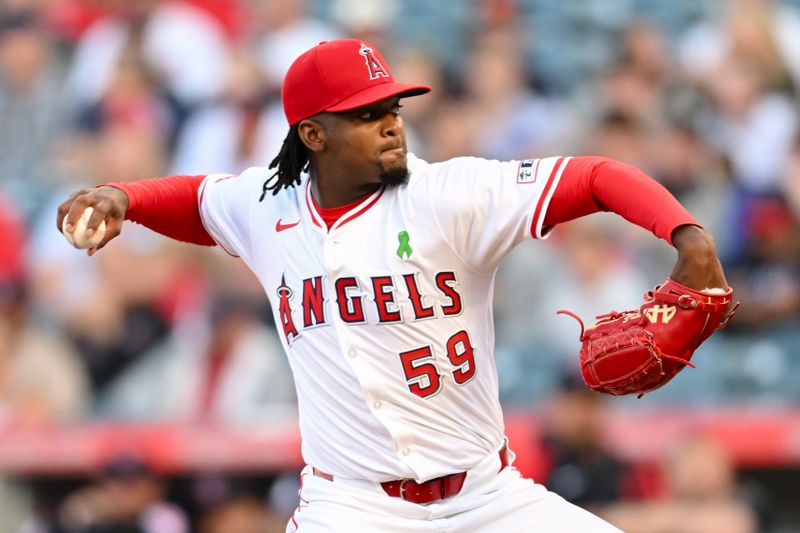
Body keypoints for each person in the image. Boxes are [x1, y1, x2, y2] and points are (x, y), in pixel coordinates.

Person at [57, 38, 730, 532]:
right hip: (351, 507)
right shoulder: (268, 207)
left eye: (392, 107)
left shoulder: (451, 194)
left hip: (488, 498)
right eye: (366, 113)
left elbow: (596, 175)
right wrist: (124, 195)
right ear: (313, 134)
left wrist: (688, 237)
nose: (390, 122)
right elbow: (199, 201)